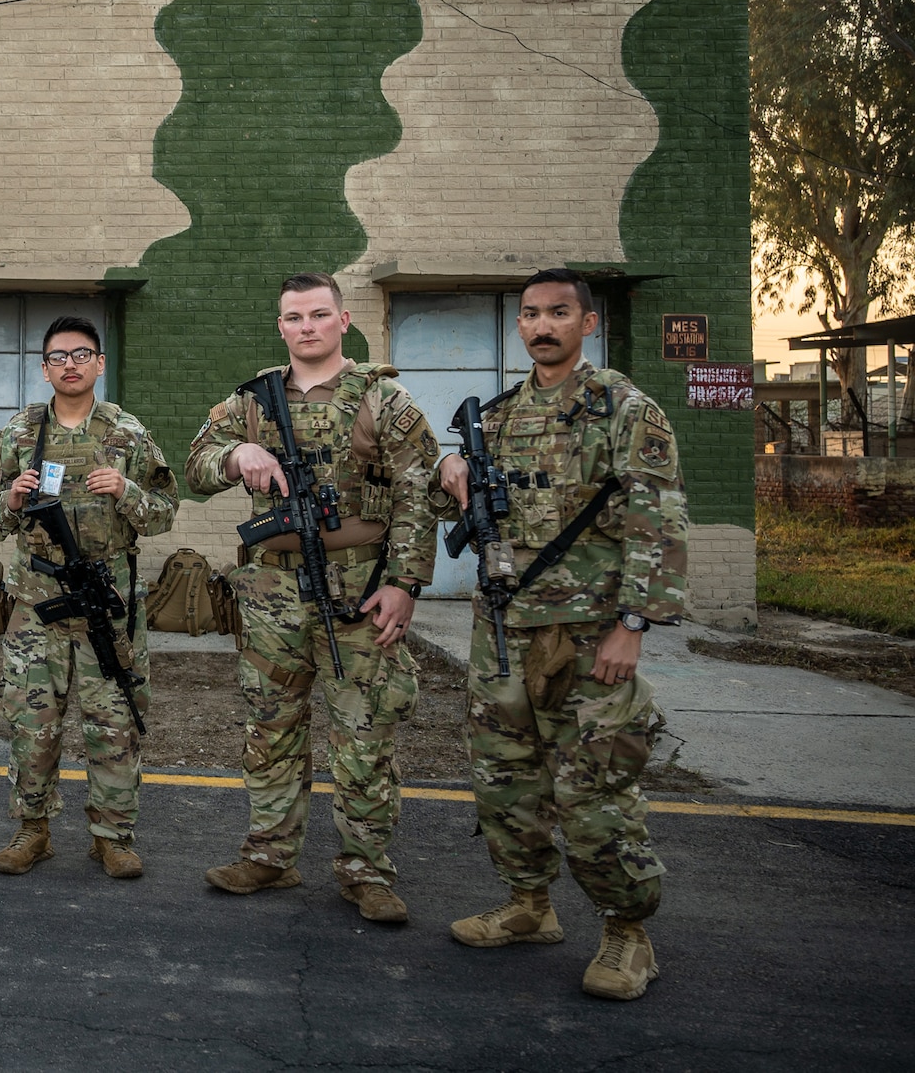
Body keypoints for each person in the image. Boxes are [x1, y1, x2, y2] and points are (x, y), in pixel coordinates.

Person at [435, 267, 685, 1001]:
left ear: (588, 322)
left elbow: (658, 520)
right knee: (505, 781)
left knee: (595, 792)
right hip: (506, 629)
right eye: (532, 315)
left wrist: (633, 626)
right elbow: (454, 496)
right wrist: (448, 466)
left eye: (558, 314)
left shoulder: (624, 409)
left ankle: (628, 933)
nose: (543, 326)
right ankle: (529, 904)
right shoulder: (501, 416)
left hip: (588, 634)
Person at [186, 272, 440, 923]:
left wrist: (404, 583)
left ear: (344, 320)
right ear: (281, 328)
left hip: (360, 589)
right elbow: (195, 464)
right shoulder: (252, 402)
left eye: (319, 315)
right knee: (270, 729)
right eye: (294, 317)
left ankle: (366, 871)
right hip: (271, 590)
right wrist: (237, 452)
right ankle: (270, 857)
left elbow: (420, 493)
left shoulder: (384, 399)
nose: (307, 327)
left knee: (361, 734)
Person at [0, 316, 178, 879]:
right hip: (36, 606)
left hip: (107, 604)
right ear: (44, 368)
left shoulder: (128, 435)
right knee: (32, 723)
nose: (70, 364)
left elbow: (165, 512)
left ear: (99, 363)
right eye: (58, 356)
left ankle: (112, 836)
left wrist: (128, 491)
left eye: (82, 354)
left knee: (113, 723)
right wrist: (8, 500)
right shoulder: (17, 434)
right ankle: (31, 830)